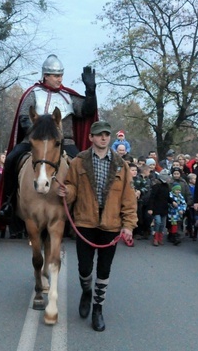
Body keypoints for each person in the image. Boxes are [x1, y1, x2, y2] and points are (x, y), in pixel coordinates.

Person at [0, 55, 98, 220]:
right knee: (11, 159)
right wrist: (37, 134)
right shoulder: (33, 94)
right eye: (56, 76)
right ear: (46, 76)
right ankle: (8, 202)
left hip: (65, 142)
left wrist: (90, 91)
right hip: (34, 141)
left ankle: (83, 205)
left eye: (61, 75)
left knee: (83, 165)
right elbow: (24, 117)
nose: (60, 79)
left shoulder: (68, 96)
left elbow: (87, 111)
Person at [58, 120, 137, 332]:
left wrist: (128, 225)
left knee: (104, 269)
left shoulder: (121, 164)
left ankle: (98, 309)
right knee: (84, 268)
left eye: (106, 134)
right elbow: (72, 186)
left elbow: (129, 198)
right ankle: (86, 291)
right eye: (99, 134)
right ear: (91, 137)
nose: (103, 138)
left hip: (110, 226)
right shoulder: (79, 162)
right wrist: (68, 192)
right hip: (85, 222)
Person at [148, 169, 172, 246]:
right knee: (158, 222)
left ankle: (160, 237)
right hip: (156, 208)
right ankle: (155, 237)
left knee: (162, 224)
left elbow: (168, 197)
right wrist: (150, 208)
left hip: (164, 208)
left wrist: (172, 201)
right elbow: (152, 198)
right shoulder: (156, 186)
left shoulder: (167, 186)